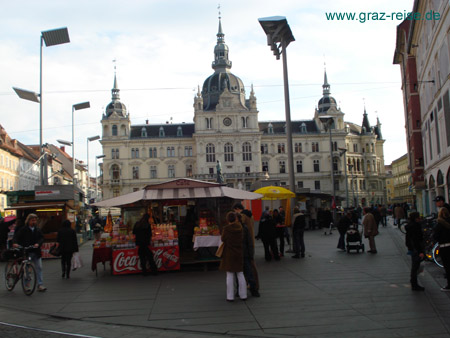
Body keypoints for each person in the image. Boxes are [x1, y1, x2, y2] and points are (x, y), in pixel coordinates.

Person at [13, 214, 46, 291]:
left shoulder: (37, 229)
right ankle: (27, 285)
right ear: (28, 221)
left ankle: (40, 284)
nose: (34, 222)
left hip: (36, 252)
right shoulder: (23, 229)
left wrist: (38, 243)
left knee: (39, 268)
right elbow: (16, 237)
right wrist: (15, 243)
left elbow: (41, 238)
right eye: (32, 220)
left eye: (35, 220)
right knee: (27, 269)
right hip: (27, 251)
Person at [233, 203, 260, 296]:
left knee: (245, 269)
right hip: (250, 242)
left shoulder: (243, 216)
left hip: (244, 244)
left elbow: (239, 225)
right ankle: (254, 287)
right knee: (251, 267)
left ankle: (247, 288)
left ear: (237, 209)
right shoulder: (250, 215)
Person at [220, 211, 247, 302]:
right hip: (239, 252)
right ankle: (243, 295)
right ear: (235, 219)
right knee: (240, 273)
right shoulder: (240, 228)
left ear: (228, 219)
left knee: (230, 274)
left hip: (229, 253)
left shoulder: (226, 229)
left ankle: (230, 296)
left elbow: (223, 239)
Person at [405, 212, 425, 291]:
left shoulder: (409, 226)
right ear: (416, 218)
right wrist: (420, 251)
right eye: (418, 217)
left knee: (415, 266)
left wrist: (409, 247)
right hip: (416, 249)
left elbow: (408, 240)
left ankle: (413, 281)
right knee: (415, 266)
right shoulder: (415, 226)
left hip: (412, 248)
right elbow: (416, 240)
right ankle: (414, 283)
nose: (419, 218)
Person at [434, 207, 450, 292]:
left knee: (447, 266)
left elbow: (435, 236)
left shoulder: (439, 224)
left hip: (444, 247)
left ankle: (449, 285)